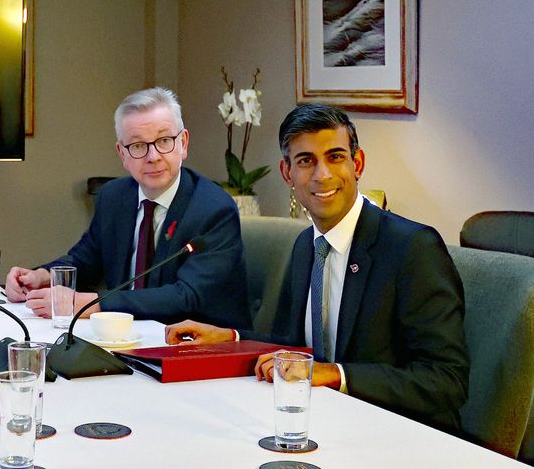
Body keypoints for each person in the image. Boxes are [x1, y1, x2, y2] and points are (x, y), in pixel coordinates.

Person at [165, 104, 469, 432]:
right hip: (322, 424)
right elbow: (294, 346)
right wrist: (231, 337)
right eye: (306, 161)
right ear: (287, 173)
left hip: (399, 435)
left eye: (335, 157)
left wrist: (335, 374)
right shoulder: (305, 246)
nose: (322, 174)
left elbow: (446, 382)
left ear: (358, 164)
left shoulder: (411, 248)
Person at [5, 87, 252, 327]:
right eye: (138, 146)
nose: (153, 156)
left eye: (164, 141)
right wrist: (42, 277)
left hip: (197, 350)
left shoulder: (213, 209)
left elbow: (185, 296)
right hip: (124, 337)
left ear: (183, 143)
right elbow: (86, 260)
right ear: (122, 154)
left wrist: (91, 304)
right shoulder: (114, 197)